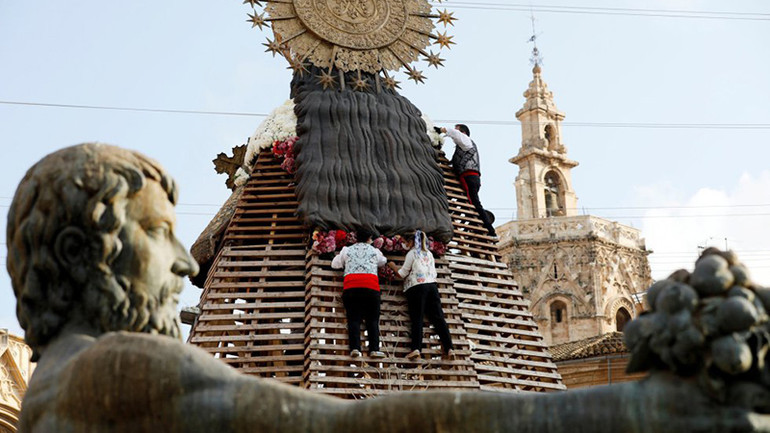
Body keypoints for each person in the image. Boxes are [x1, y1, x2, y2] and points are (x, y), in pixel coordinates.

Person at [8, 144, 768, 433]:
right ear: (82, 252)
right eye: (154, 232)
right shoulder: (116, 373)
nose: (182, 262)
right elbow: (352, 426)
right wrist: (638, 408)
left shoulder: (55, 385)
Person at [387, 231, 453, 360]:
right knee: (439, 318)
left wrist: (392, 266)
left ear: (411, 242)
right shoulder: (429, 253)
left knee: (417, 318)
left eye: (405, 242)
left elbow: (402, 273)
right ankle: (449, 347)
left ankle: (416, 348)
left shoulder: (412, 254)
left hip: (417, 287)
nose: (404, 245)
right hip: (432, 287)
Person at [331, 230, 387, 358]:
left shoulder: (346, 250)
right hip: (370, 287)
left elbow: (335, 264)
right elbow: (383, 261)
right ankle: (374, 349)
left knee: (353, 319)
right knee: (372, 319)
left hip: (351, 287)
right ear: (370, 238)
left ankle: (355, 348)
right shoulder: (374, 251)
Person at [440, 124, 496, 237]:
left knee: (473, 203)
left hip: (469, 177)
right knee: (468, 202)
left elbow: (455, 134)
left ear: (463, 133)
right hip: (467, 177)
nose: (455, 132)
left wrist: (442, 130)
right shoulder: (461, 147)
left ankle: (490, 230)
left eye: (457, 130)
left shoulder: (466, 141)